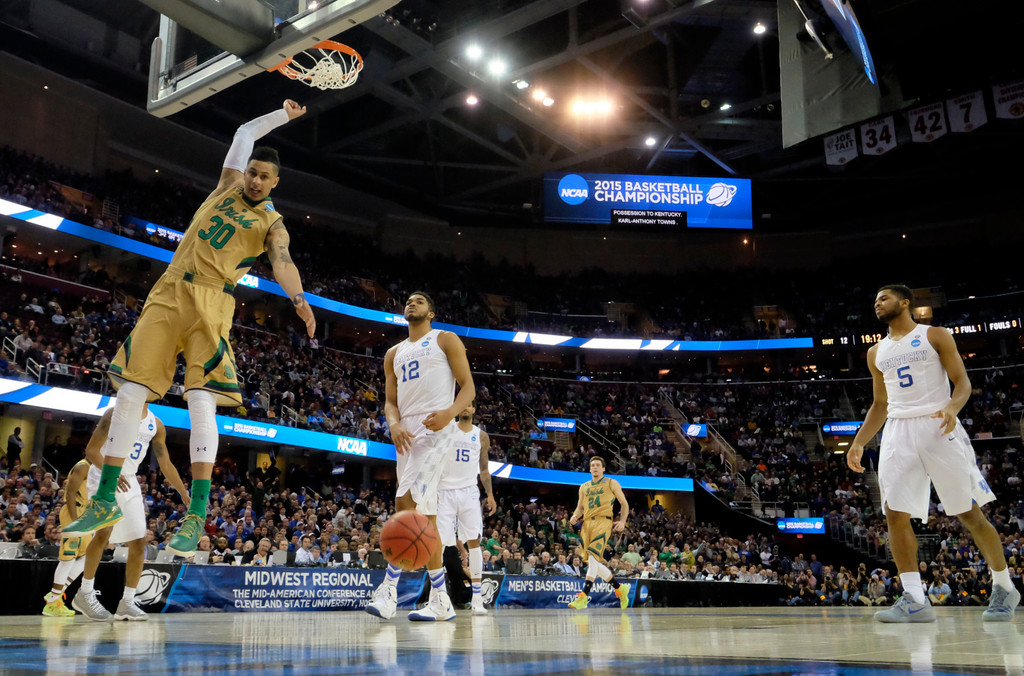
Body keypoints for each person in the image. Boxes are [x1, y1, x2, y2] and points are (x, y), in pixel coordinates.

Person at [63, 99, 314, 558]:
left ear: (276, 183)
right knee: (130, 393)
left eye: (264, 176)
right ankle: (102, 503)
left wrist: (298, 299)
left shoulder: (272, 223)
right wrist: (281, 114)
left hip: (213, 300)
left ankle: (196, 512)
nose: (255, 179)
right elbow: (243, 129)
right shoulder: (226, 185)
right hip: (170, 288)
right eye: (252, 171)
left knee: (200, 399)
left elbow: (283, 261)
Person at [848, 284, 1019, 622]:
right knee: (894, 513)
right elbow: (880, 404)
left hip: (938, 424)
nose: (877, 303)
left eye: (884, 297)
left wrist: (954, 407)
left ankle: (1004, 586)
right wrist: (858, 441)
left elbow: (963, 382)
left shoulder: (935, 335)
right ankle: (914, 598)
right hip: (898, 431)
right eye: (875, 299)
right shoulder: (875, 352)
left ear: (905, 301)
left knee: (969, 514)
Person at [365, 291, 475, 622]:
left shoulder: (445, 339)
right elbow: (389, 401)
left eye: (420, 301)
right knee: (423, 517)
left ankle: (388, 591)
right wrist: (394, 425)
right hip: (407, 436)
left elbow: (468, 387)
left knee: (407, 505)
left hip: (437, 430)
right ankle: (441, 598)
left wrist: (450, 413)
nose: (411, 303)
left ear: (431, 312)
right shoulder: (393, 353)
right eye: (408, 301)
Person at [71, 406, 190, 621]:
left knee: (139, 541)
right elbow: (91, 451)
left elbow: (165, 463)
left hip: (130, 480)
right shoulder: (115, 413)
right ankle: (85, 593)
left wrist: (183, 491)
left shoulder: (156, 424)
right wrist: (112, 472)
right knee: (104, 533)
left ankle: (127, 602)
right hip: (104, 475)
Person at [435, 402, 496, 615]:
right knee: (440, 543)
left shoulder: (481, 435)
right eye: (461, 404)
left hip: (469, 491)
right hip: (444, 490)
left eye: (469, 405)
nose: (465, 408)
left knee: (474, 543)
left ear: (474, 409)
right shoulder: (446, 428)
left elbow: (485, 469)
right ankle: (438, 597)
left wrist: (490, 494)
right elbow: (435, 460)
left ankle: (477, 598)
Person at [567, 457, 631, 610]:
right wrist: (574, 516)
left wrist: (622, 521)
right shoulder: (583, 487)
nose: (595, 467)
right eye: (592, 465)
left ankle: (584, 596)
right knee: (592, 561)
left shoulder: (611, 482)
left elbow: (624, 503)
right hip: (587, 523)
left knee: (593, 557)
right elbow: (580, 508)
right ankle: (619, 588)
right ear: (590, 469)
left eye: (598, 465)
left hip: (604, 521)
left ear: (603, 469)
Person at [41, 458, 94, 617]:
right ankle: (52, 604)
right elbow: (70, 493)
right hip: (73, 512)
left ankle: (55, 595)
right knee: (68, 558)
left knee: (88, 556)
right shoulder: (82, 466)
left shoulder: (95, 467)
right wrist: (75, 521)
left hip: (85, 514)